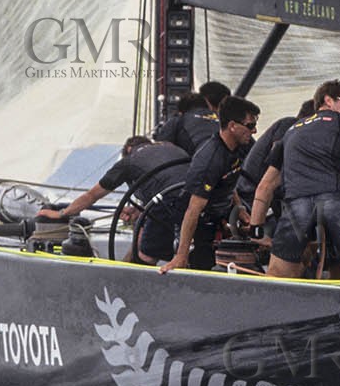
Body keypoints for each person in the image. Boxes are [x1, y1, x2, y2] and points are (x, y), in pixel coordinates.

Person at [246, 81, 340, 287]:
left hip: (297, 206)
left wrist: (256, 230)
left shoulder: (290, 131)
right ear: (329, 101)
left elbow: (265, 186)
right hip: (335, 200)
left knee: (277, 278)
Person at [153, 96, 259, 272]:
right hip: (196, 221)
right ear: (232, 126)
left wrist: (240, 211)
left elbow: (228, 180)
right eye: (249, 126)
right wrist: (181, 256)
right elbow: (193, 210)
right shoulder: (210, 159)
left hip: (218, 214)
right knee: (201, 265)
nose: (254, 131)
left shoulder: (242, 146)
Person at [38, 135, 189, 223]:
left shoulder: (129, 161)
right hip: (199, 200)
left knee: (144, 250)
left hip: (172, 203)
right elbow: (168, 179)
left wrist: (60, 214)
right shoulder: (173, 148)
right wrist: (141, 211)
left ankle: (129, 274)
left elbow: (92, 196)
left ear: (128, 150)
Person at [236, 99, 315, 218]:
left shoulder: (293, 130)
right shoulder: (289, 125)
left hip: (262, 193)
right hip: (251, 194)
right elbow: (277, 160)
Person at [152, 91, 221, 155]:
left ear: (181, 112)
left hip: (196, 161)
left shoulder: (178, 120)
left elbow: (160, 149)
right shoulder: (221, 118)